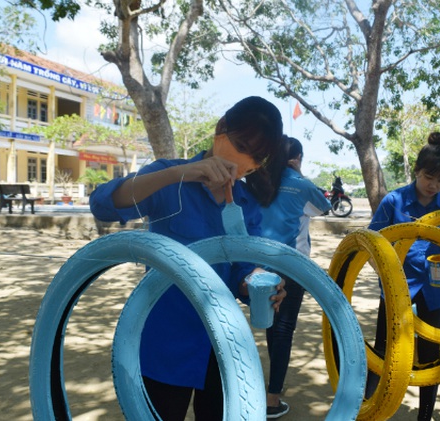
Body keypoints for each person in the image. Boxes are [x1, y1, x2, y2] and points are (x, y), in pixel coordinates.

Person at [89, 96, 288, 421]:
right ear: (220, 130)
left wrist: (258, 284)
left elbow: (243, 266)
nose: (246, 162)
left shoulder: (246, 201)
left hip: (222, 344)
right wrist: (180, 173)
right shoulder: (169, 177)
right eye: (242, 145)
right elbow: (103, 204)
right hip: (165, 339)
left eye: (257, 157)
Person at [367, 131, 440, 421]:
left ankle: (424, 416)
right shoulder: (394, 201)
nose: (434, 185)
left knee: (429, 350)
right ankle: (368, 408)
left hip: (435, 287)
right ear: (417, 171)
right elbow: (372, 243)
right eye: (428, 177)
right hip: (398, 286)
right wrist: (385, 273)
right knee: (384, 348)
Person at [259, 136, 331, 418]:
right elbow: (325, 207)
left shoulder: (259, 182)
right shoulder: (301, 185)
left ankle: (270, 388)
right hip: (292, 267)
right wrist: (299, 174)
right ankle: (272, 399)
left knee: (270, 325)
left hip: (260, 265)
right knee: (284, 329)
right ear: (297, 158)